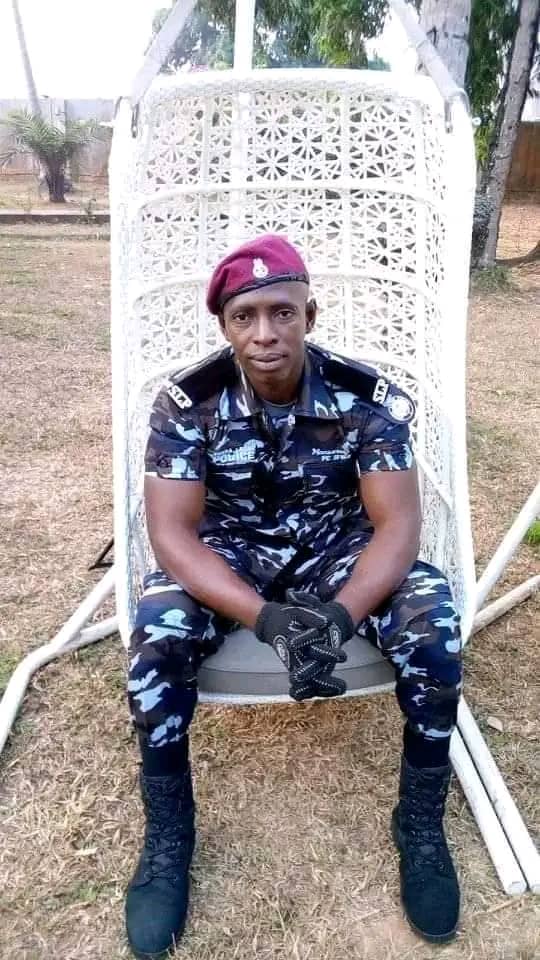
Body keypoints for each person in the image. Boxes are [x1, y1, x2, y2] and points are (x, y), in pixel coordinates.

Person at [124, 235, 462, 959]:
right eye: (244, 317)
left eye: (282, 312)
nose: (265, 334)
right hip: (232, 556)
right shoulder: (188, 404)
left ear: (310, 314)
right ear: (225, 326)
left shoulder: (364, 397)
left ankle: (421, 821)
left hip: (339, 550)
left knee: (433, 620)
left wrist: (339, 618)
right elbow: (173, 535)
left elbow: (398, 526)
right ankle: (169, 834)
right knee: (158, 629)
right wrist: (267, 618)